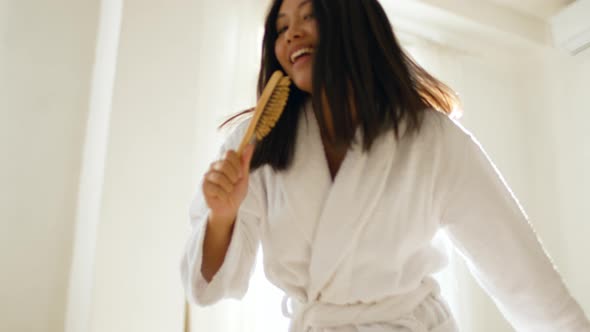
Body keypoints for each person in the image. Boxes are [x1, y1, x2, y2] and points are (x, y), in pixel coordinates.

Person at [180, 0, 590, 331]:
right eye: (281, 27)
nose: (292, 33)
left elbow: (520, 274)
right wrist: (223, 216)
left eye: (309, 15)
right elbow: (210, 288)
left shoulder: (431, 139)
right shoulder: (257, 147)